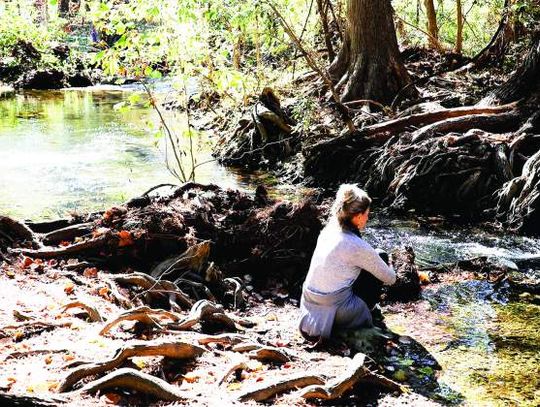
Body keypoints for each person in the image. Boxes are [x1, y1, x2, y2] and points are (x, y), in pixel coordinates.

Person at [298, 184, 396, 341]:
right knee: (381, 255)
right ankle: (367, 311)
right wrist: (387, 263)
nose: (368, 218)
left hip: (309, 302)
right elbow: (391, 279)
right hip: (336, 311)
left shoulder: (329, 229)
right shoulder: (356, 245)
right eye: (367, 214)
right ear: (357, 216)